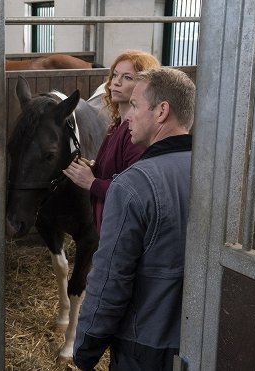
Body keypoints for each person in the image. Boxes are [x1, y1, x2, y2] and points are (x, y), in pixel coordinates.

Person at [73, 67, 195, 371]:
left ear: (162, 111)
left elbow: (111, 279)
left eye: (136, 106)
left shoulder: (133, 185)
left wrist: (86, 346)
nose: (127, 116)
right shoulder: (214, 173)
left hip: (144, 345)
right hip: (200, 338)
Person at [62, 50, 160, 233]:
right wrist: (94, 168)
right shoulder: (116, 126)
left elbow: (136, 192)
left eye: (128, 77)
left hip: (126, 230)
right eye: (115, 75)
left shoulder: (136, 134)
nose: (116, 82)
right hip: (111, 226)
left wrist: (92, 182)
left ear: (144, 85)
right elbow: (119, 173)